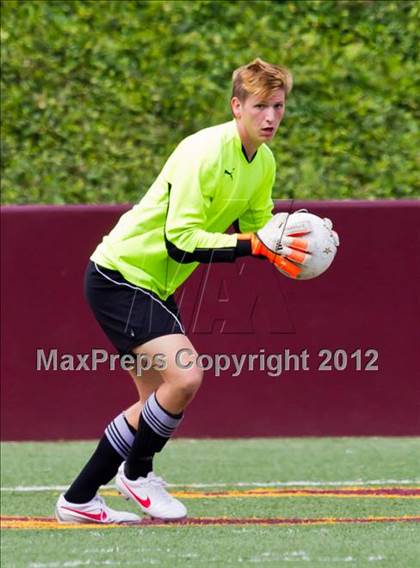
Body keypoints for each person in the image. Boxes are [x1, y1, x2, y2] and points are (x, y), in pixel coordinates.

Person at [55, 58, 310, 524]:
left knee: (157, 397)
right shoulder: (205, 153)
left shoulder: (263, 161)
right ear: (237, 106)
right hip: (121, 274)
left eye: (278, 106)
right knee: (186, 377)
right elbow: (183, 240)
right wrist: (256, 246)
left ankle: (107, 487)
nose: (270, 117)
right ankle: (107, 486)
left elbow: (259, 228)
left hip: (154, 283)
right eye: (259, 106)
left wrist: (295, 243)